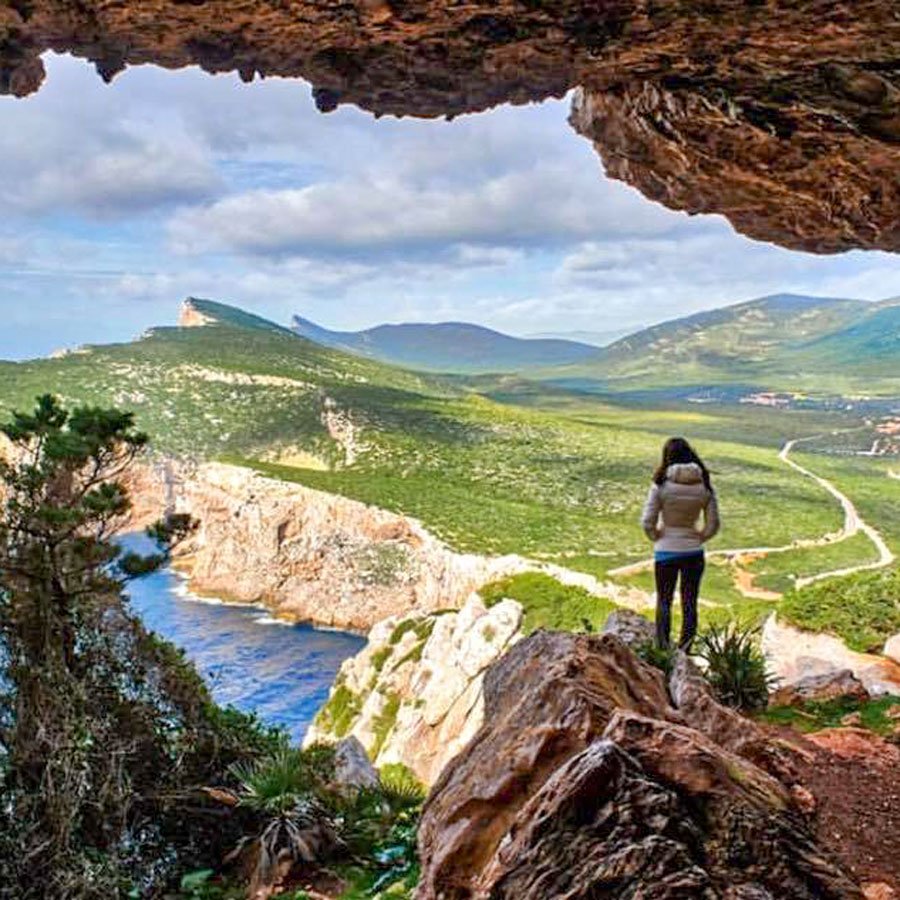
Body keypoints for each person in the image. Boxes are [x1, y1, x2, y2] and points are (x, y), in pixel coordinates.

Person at [640, 437, 720, 650]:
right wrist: (699, 537)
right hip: (693, 552)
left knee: (664, 601)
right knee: (690, 603)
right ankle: (685, 650)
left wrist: (657, 536)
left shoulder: (660, 485)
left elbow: (647, 521)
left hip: (666, 551)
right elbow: (713, 524)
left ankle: (663, 649)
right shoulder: (704, 486)